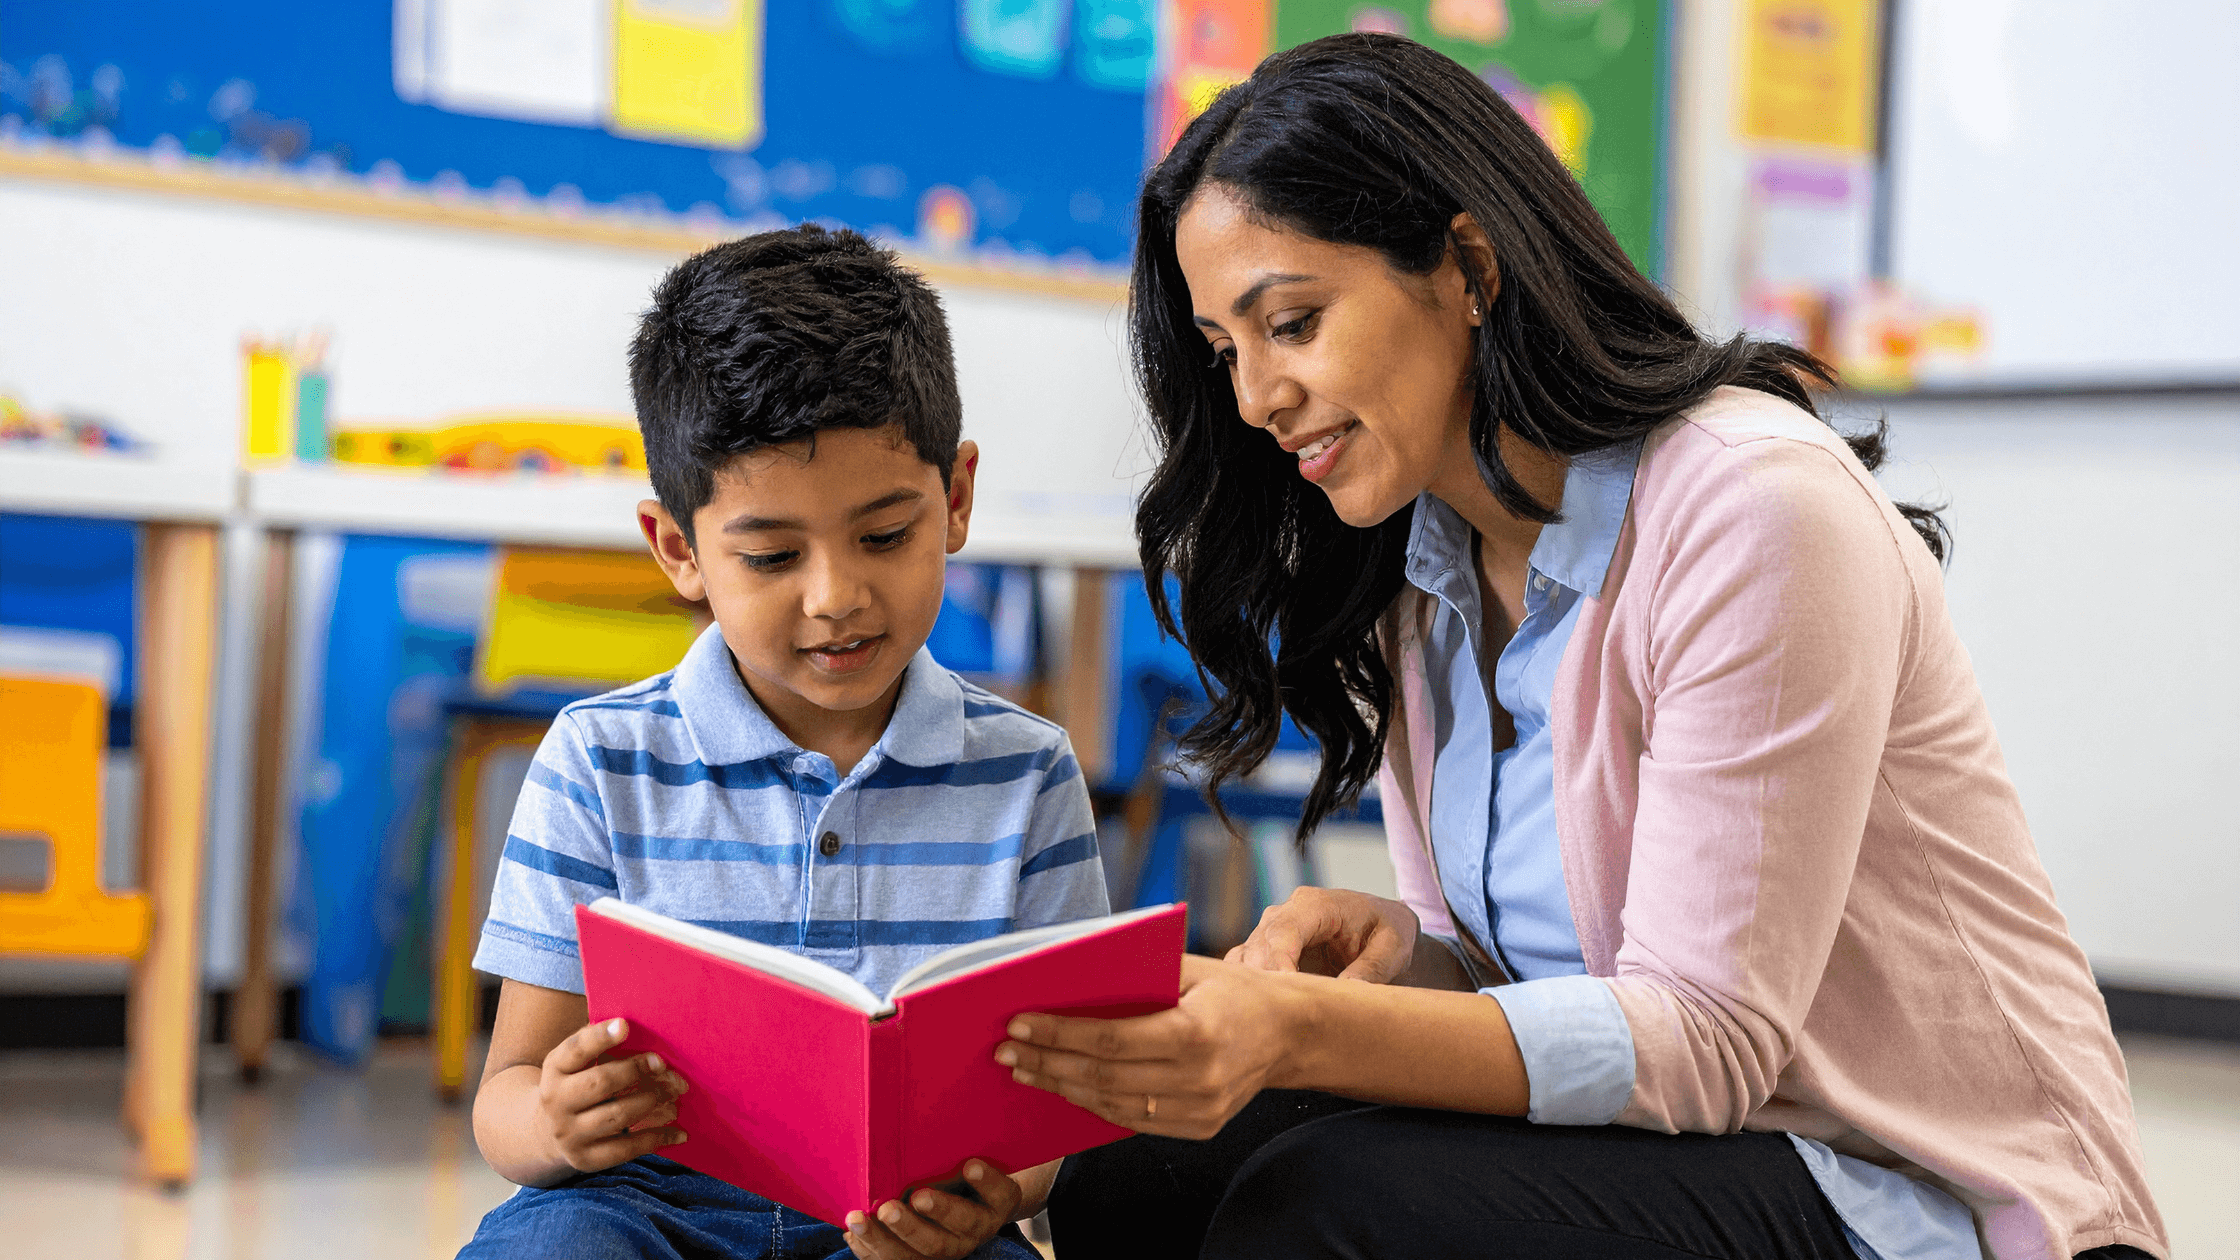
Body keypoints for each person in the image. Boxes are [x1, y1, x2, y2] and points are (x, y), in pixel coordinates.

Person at [994, 34, 2167, 1260]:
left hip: (1910, 1189)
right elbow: (1540, 995)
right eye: (1224, 351)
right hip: (1680, 1149)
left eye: (1290, 322)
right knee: (1133, 1177)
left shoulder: (1753, 508)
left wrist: (1287, 1027)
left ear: (1465, 267)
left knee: (1331, 1208)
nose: (1252, 399)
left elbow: (1702, 1043)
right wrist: (1410, 957)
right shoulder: (1420, 564)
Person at [457, 225, 1108, 1260]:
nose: (835, 598)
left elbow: (1052, 1112)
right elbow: (508, 1092)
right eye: (768, 556)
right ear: (679, 550)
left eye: (884, 537)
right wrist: (554, 1124)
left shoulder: (1024, 775)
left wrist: (989, 1194)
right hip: (645, 1206)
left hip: (895, 1226)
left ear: (956, 500)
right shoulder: (599, 759)